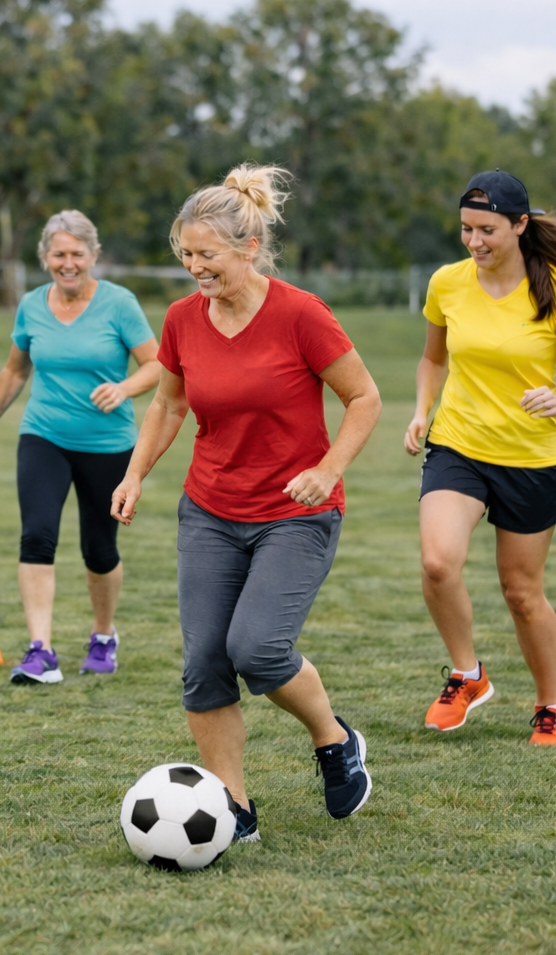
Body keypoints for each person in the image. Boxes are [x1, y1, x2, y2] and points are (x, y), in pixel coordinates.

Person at [111, 166, 382, 840]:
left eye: (208, 255)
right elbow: (170, 403)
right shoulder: (181, 320)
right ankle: (234, 807)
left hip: (296, 514)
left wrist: (328, 467)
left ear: (248, 248)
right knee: (205, 664)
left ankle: (334, 740)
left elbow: (364, 398)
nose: (195, 268)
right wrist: (136, 474)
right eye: (187, 255)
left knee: (257, 649)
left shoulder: (301, 315)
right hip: (210, 510)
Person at [404, 169, 556, 745]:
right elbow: (433, 360)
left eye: (487, 229)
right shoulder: (447, 282)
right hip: (459, 444)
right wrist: (422, 409)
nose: (474, 242)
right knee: (438, 562)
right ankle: (467, 675)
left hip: (531, 457)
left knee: (521, 593)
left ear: (519, 225)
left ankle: (551, 705)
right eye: (466, 229)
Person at [0, 210, 159, 683]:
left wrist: (125, 388)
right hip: (44, 434)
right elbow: (15, 370)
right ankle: (41, 651)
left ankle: (103, 634)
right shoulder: (32, 305)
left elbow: (157, 365)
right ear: (45, 258)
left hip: (108, 442)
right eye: (59, 254)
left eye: (77, 253)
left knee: (99, 549)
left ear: (93, 256)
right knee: (36, 536)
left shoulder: (119, 304)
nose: (68, 263)